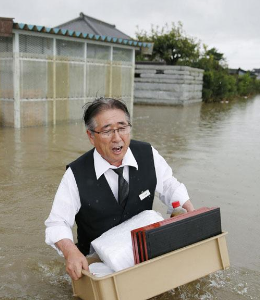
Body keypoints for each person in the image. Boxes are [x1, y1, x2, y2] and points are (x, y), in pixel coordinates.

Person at [45, 97, 195, 280]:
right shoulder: (76, 174)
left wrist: (186, 209)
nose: (117, 138)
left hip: (144, 254)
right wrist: (71, 252)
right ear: (91, 136)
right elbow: (57, 222)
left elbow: (169, 185)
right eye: (107, 131)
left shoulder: (147, 154)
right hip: (98, 265)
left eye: (122, 128)